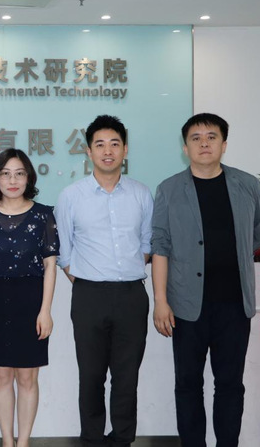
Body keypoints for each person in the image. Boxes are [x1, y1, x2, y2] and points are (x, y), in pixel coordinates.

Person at [151, 113, 260, 447]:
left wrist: (237, 248)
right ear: (185, 147)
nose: (204, 143)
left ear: (224, 144)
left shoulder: (246, 185)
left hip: (234, 304)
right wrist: (160, 301)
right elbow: (160, 245)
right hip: (186, 305)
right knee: (188, 384)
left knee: (230, 384)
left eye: (211, 137)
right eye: (196, 138)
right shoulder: (169, 189)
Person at [54, 114, 153, 447]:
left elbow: (147, 245)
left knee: (126, 377)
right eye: (100, 145)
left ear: (125, 149)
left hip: (131, 296)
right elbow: (65, 253)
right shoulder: (71, 196)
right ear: (88, 151)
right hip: (89, 297)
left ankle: (123, 439)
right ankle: (92, 439)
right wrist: (91, 279)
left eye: (114, 144)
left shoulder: (141, 194)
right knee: (91, 376)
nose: (107, 151)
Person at [0, 148, 58, 447]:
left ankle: (23, 443)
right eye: (6, 174)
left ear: (29, 178)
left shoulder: (43, 214)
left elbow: (50, 266)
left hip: (31, 299)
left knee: (27, 378)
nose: (12, 180)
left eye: (19, 174)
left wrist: (45, 310)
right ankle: (8, 442)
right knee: (1, 376)